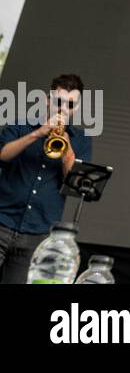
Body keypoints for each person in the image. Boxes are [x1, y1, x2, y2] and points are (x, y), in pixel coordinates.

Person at [0, 74, 92, 284]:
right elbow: (2, 154)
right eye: (58, 102)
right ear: (47, 100)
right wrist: (37, 134)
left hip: (38, 232)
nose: (63, 108)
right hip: (2, 220)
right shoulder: (21, 125)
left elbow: (76, 183)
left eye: (70, 105)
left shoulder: (81, 140)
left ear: (75, 109)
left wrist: (67, 149)